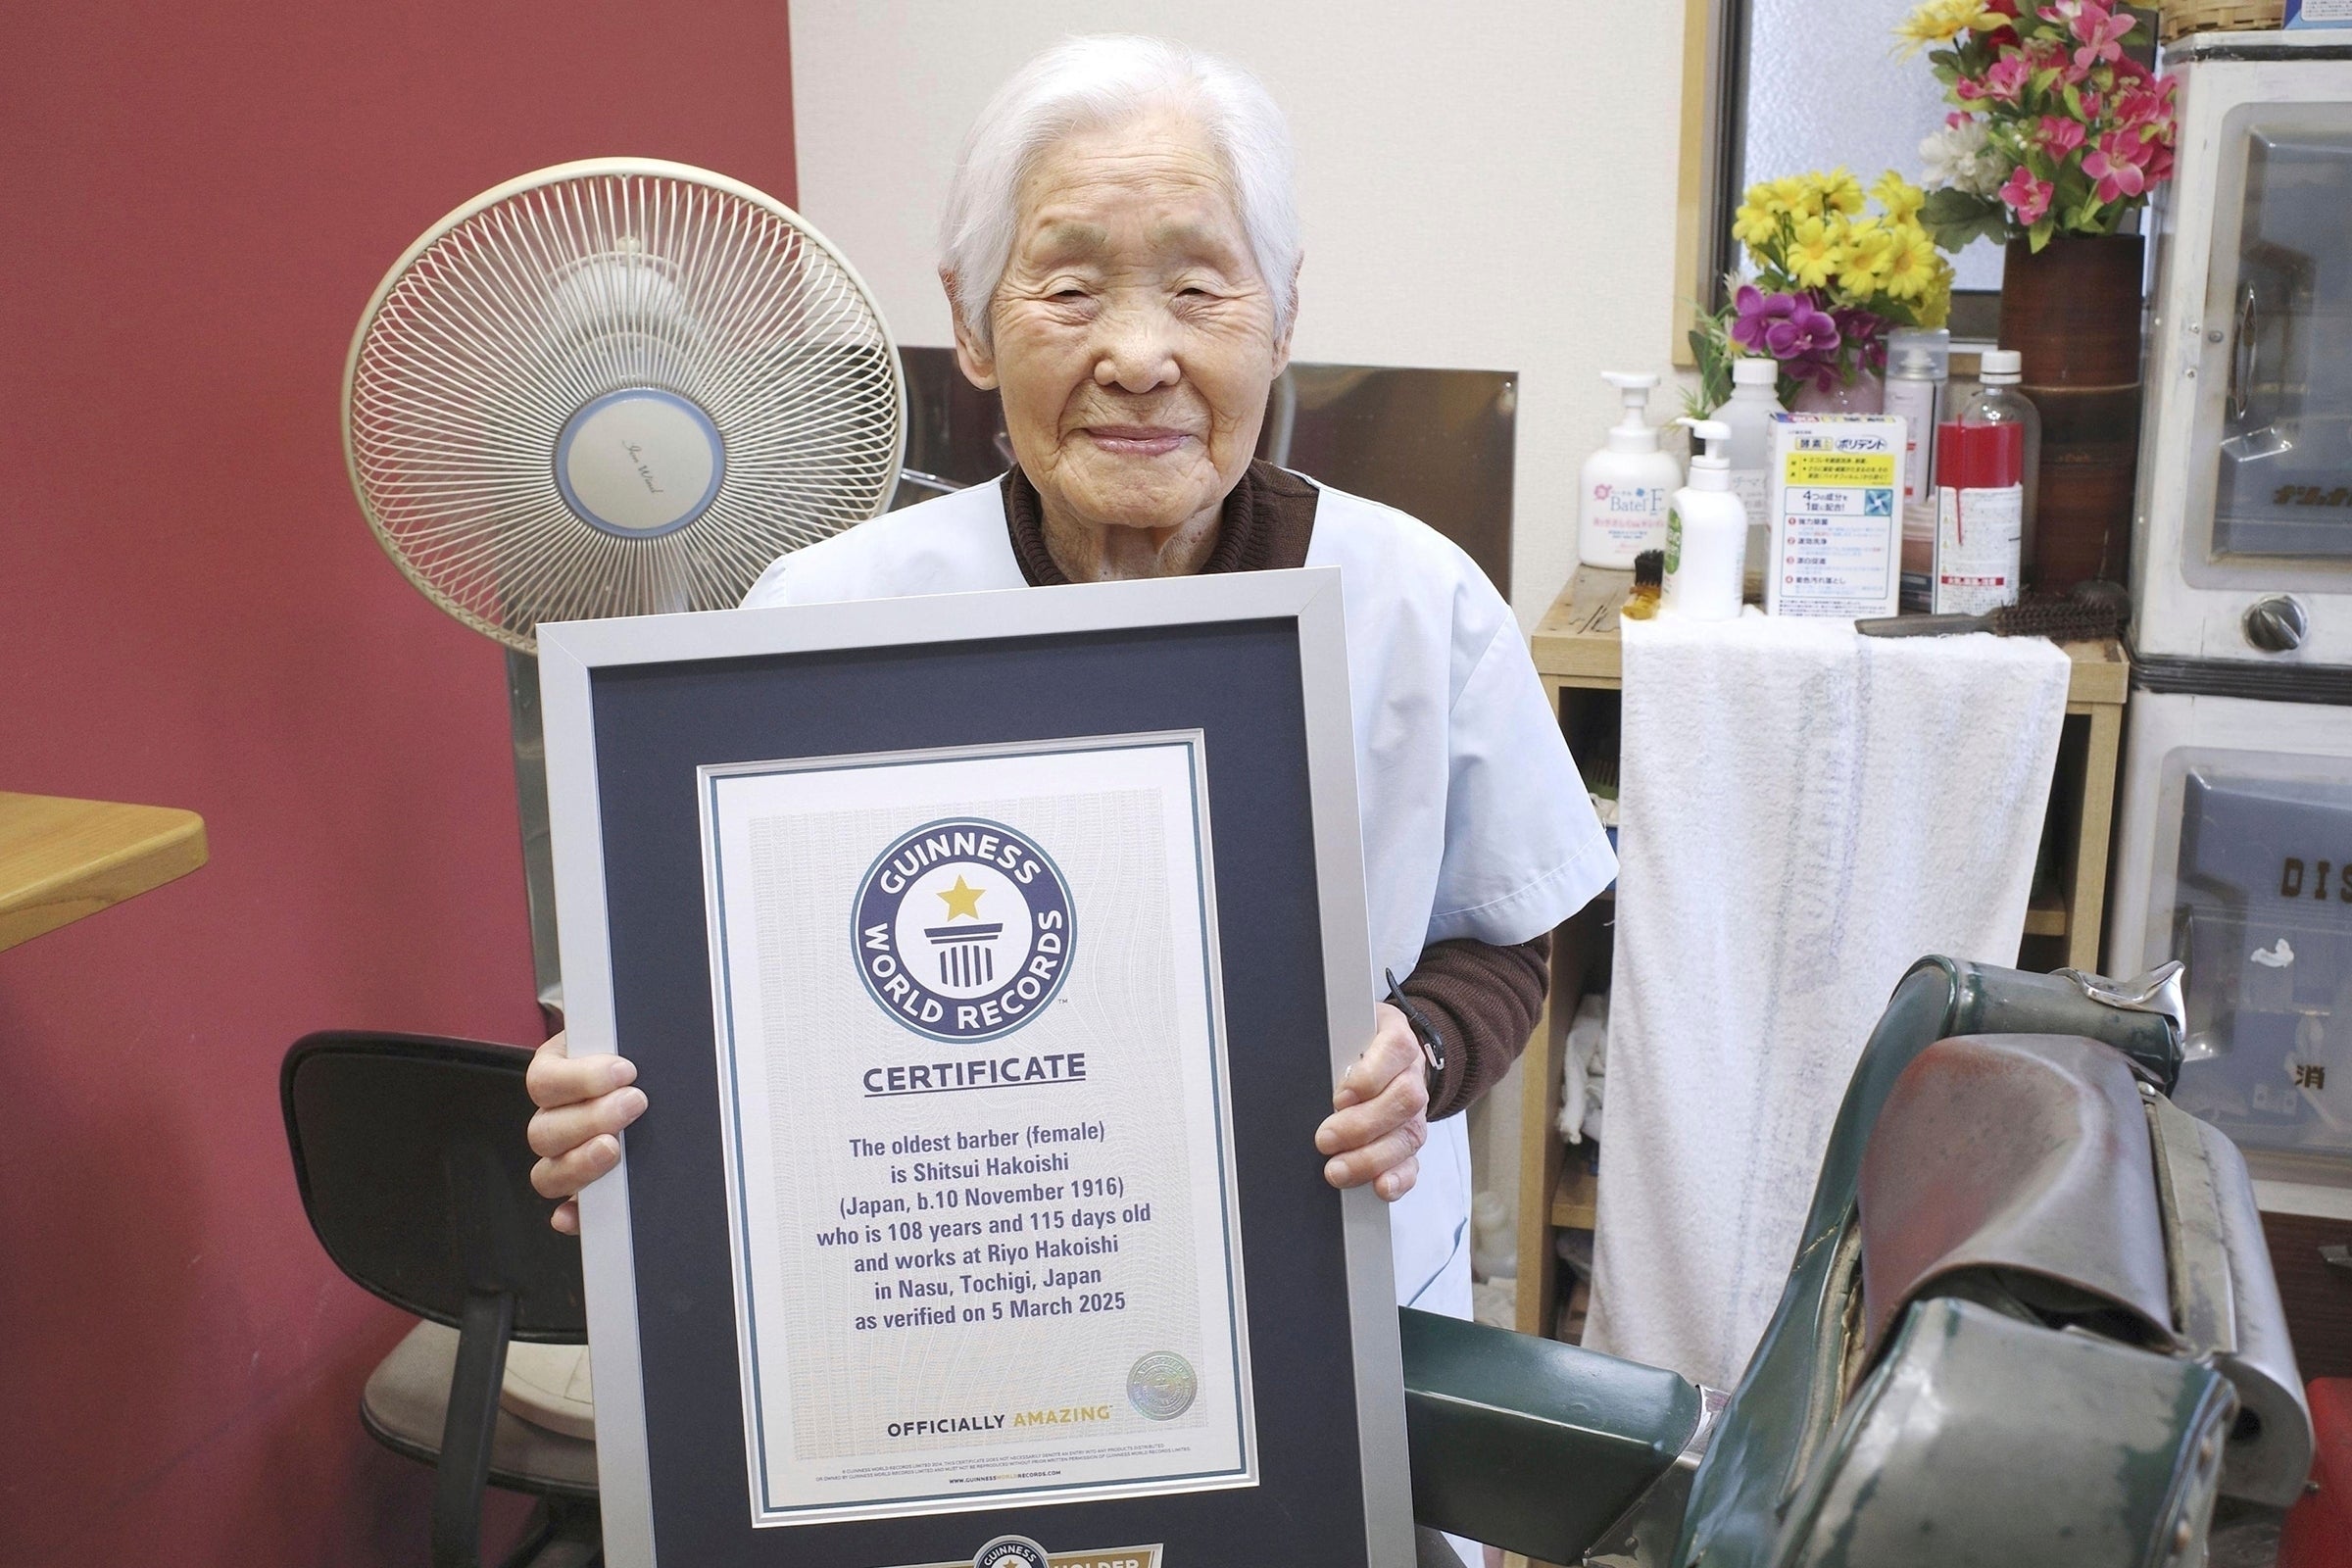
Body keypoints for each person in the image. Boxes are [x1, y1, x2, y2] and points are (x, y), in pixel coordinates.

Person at [524, 34, 1612, 1563]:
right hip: (918, 1355)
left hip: (1323, 1328)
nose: (1141, 353)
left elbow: (1506, 944)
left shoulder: (1414, 597)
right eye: (1070, 284)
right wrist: (601, 1104)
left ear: (1285, 314)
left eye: (1199, 283)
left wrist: (1419, 1053)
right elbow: (697, 1000)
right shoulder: (819, 610)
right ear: (970, 326)